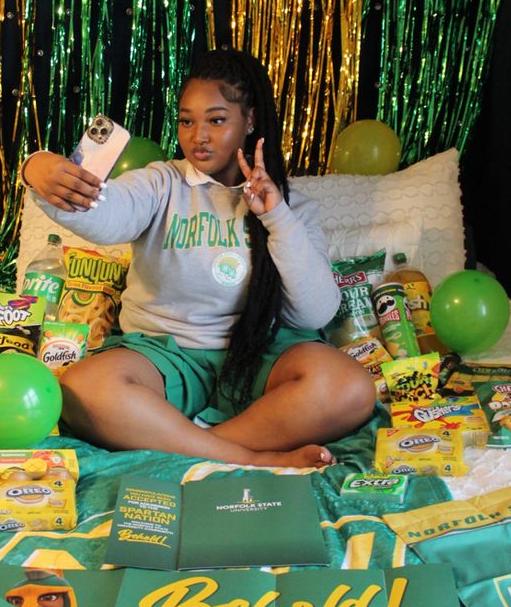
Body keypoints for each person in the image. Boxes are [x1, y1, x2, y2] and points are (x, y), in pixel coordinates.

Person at [22, 48, 376, 468]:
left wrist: (277, 217)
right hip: (163, 356)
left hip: (262, 357)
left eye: (216, 120)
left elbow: (315, 313)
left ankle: (190, 444)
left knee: (351, 387)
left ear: (250, 121)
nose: (198, 136)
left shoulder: (291, 205)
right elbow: (107, 215)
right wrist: (38, 169)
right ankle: (250, 456)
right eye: (187, 120)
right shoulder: (162, 182)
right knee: (84, 388)